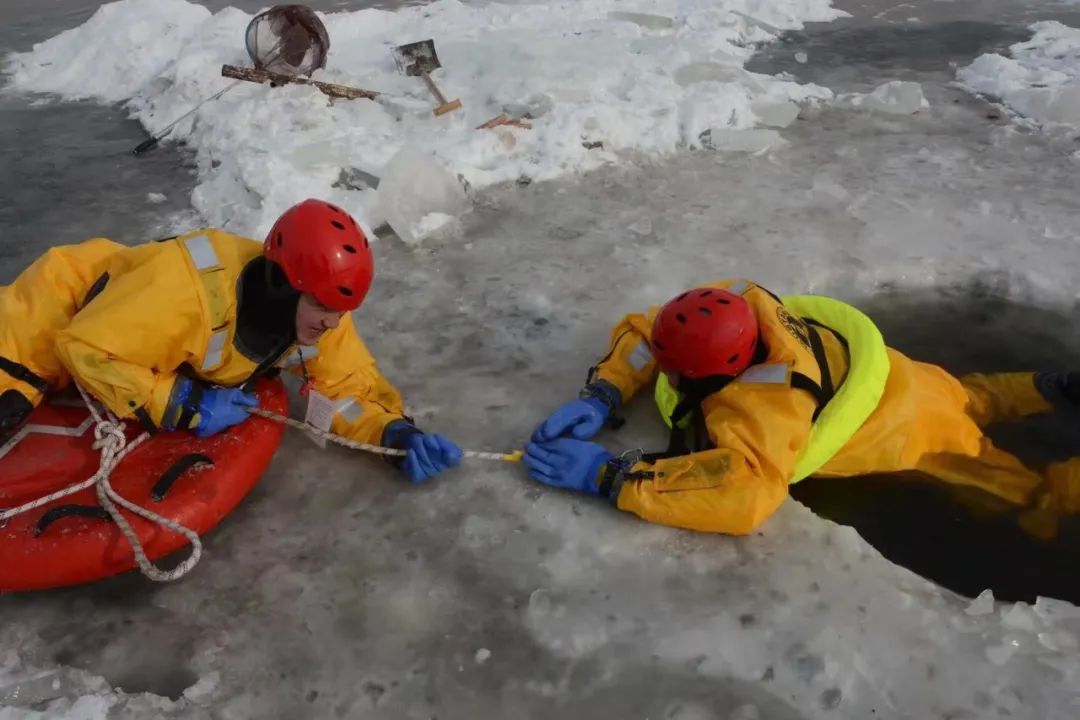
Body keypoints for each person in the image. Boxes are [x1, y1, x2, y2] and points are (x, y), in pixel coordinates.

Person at [524, 278, 1080, 539]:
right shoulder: (741, 305)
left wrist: (610, 476)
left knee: (1026, 492)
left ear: (723, 371)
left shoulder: (766, 406)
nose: (663, 376)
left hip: (915, 433)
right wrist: (604, 393)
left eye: (676, 374)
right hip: (915, 379)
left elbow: (745, 493)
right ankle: (1055, 387)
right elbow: (649, 334)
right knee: (975, 395)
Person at [0, 198, 462, 484]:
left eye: (340, 311)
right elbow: (85, 348)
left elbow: (348, 393)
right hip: (55, 308)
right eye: (324, 309)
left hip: (137, 331)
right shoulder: (188, 294)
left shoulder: (317, 313)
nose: (333, 324)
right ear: (284, 285)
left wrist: (393, 434)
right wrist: (185, 401)